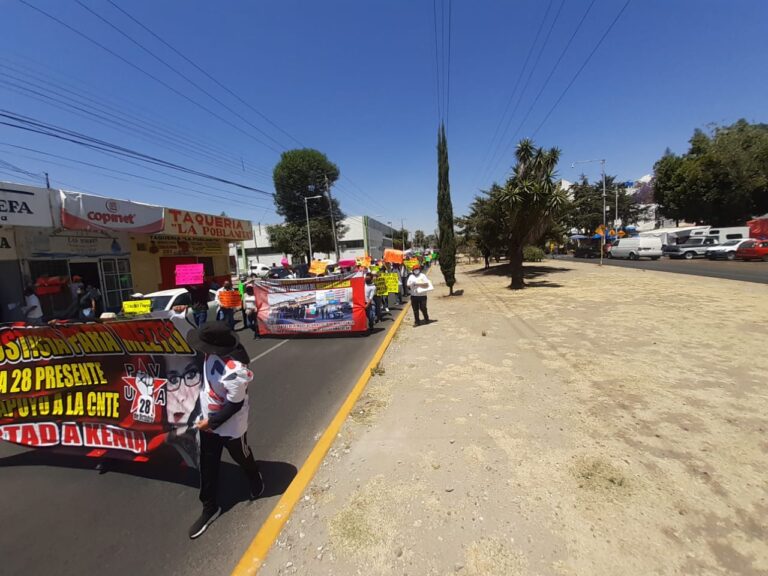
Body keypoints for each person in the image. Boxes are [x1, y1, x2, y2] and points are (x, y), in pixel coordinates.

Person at [185, 322, 264, 539]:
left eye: (202, 344)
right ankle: (210, 507)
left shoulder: (235, 371)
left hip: (230, 425)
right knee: (207, 464)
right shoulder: (209, 354)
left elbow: (234, 405)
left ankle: (254, 475)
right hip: (207, 421)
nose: (199, 348)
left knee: (242, 455)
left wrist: (210, 423)